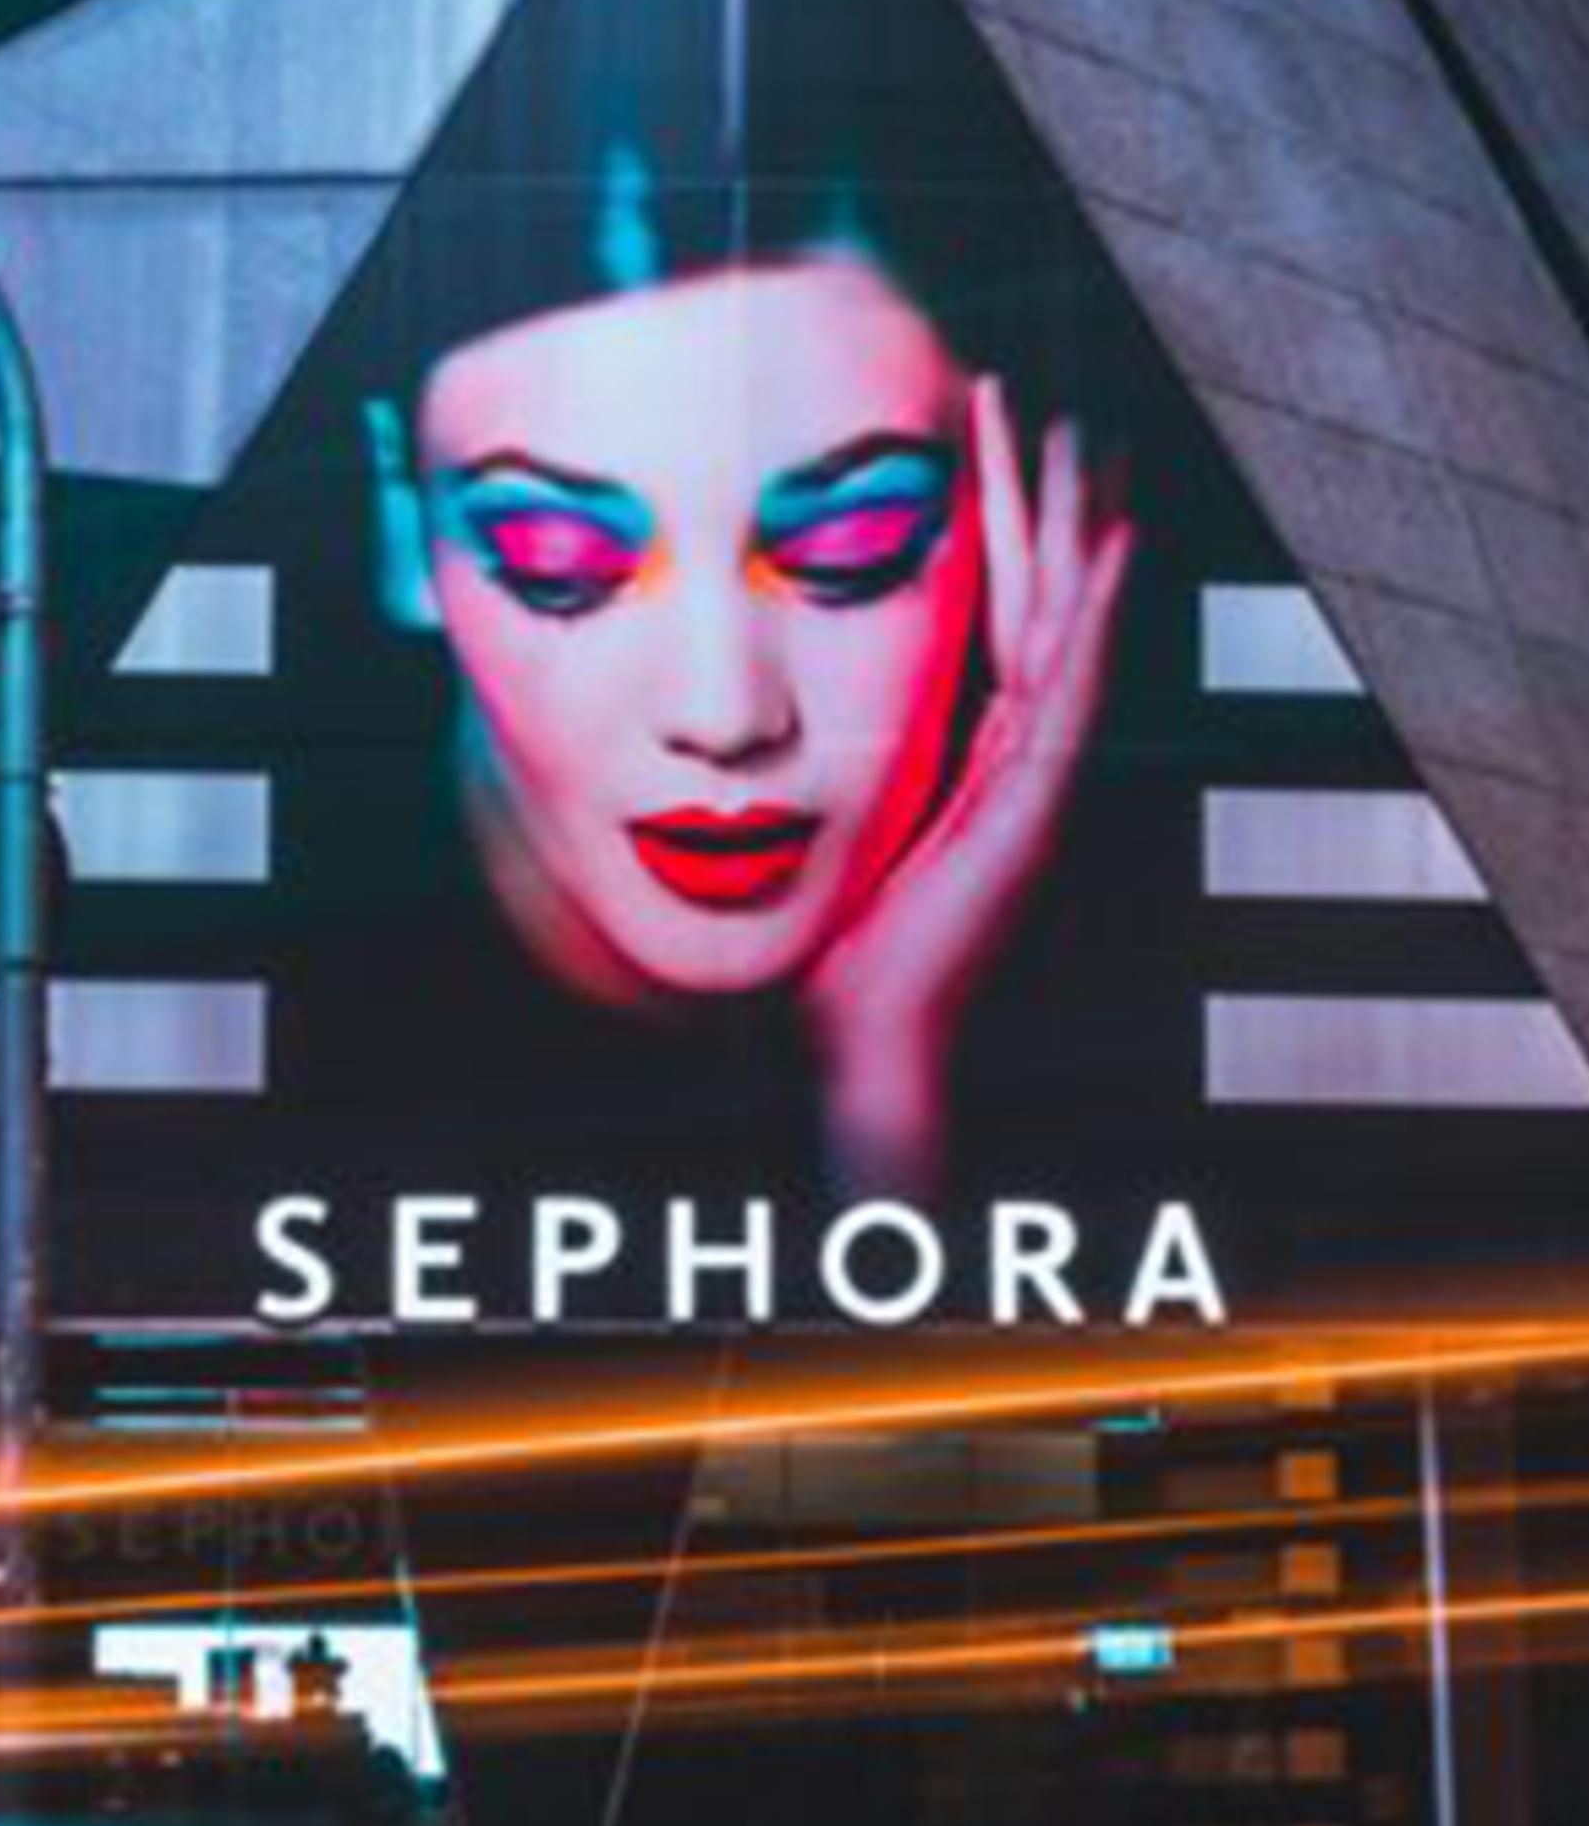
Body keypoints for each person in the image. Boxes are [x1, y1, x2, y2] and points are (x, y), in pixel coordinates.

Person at [361, 235, 1132, 1199]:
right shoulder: (264, 974)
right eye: (558, 555)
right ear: (401, 529)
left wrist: (887, 1073)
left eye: (855, 542)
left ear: (1025, 518)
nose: (725, 715)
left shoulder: (1155, 999)